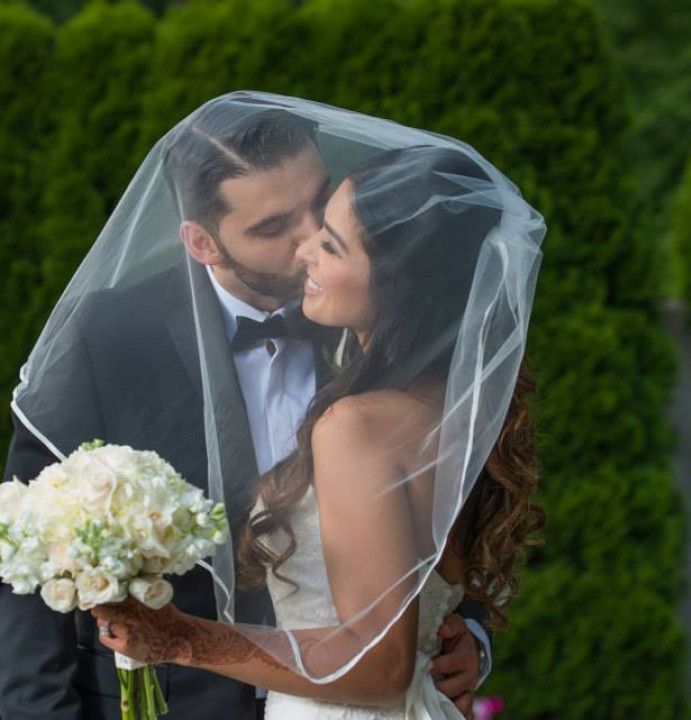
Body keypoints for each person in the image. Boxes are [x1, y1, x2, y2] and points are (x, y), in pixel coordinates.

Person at [0, 95, 492, 720]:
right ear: (203, 242)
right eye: (272, 227)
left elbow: (462, 517)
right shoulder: (108, 335)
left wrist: (466, 637)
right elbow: (26, 550)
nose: (311, 237)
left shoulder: (383, 325)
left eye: (319, 201)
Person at [91, 143, 544, 719]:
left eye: (329, 244)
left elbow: (380, 668)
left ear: (395, 284)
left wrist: (182, 639)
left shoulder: (355, 426)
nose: (303, 252)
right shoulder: (457, 405)